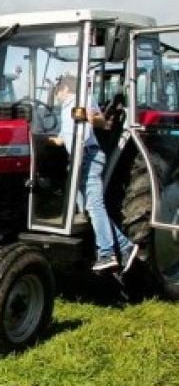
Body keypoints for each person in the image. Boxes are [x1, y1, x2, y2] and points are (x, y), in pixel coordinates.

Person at [49, 74, 140, 273]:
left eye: (57, 93)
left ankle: (106, 253)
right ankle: (125, 247)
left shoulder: (77, 100)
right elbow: (73, 132)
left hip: (87, 156)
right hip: (85, 156)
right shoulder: (76, 105)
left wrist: (78, 152)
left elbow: (86, 128)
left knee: (94, 205)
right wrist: (55, 141)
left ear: (64, 90)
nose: (57, 97)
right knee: (89, 208)